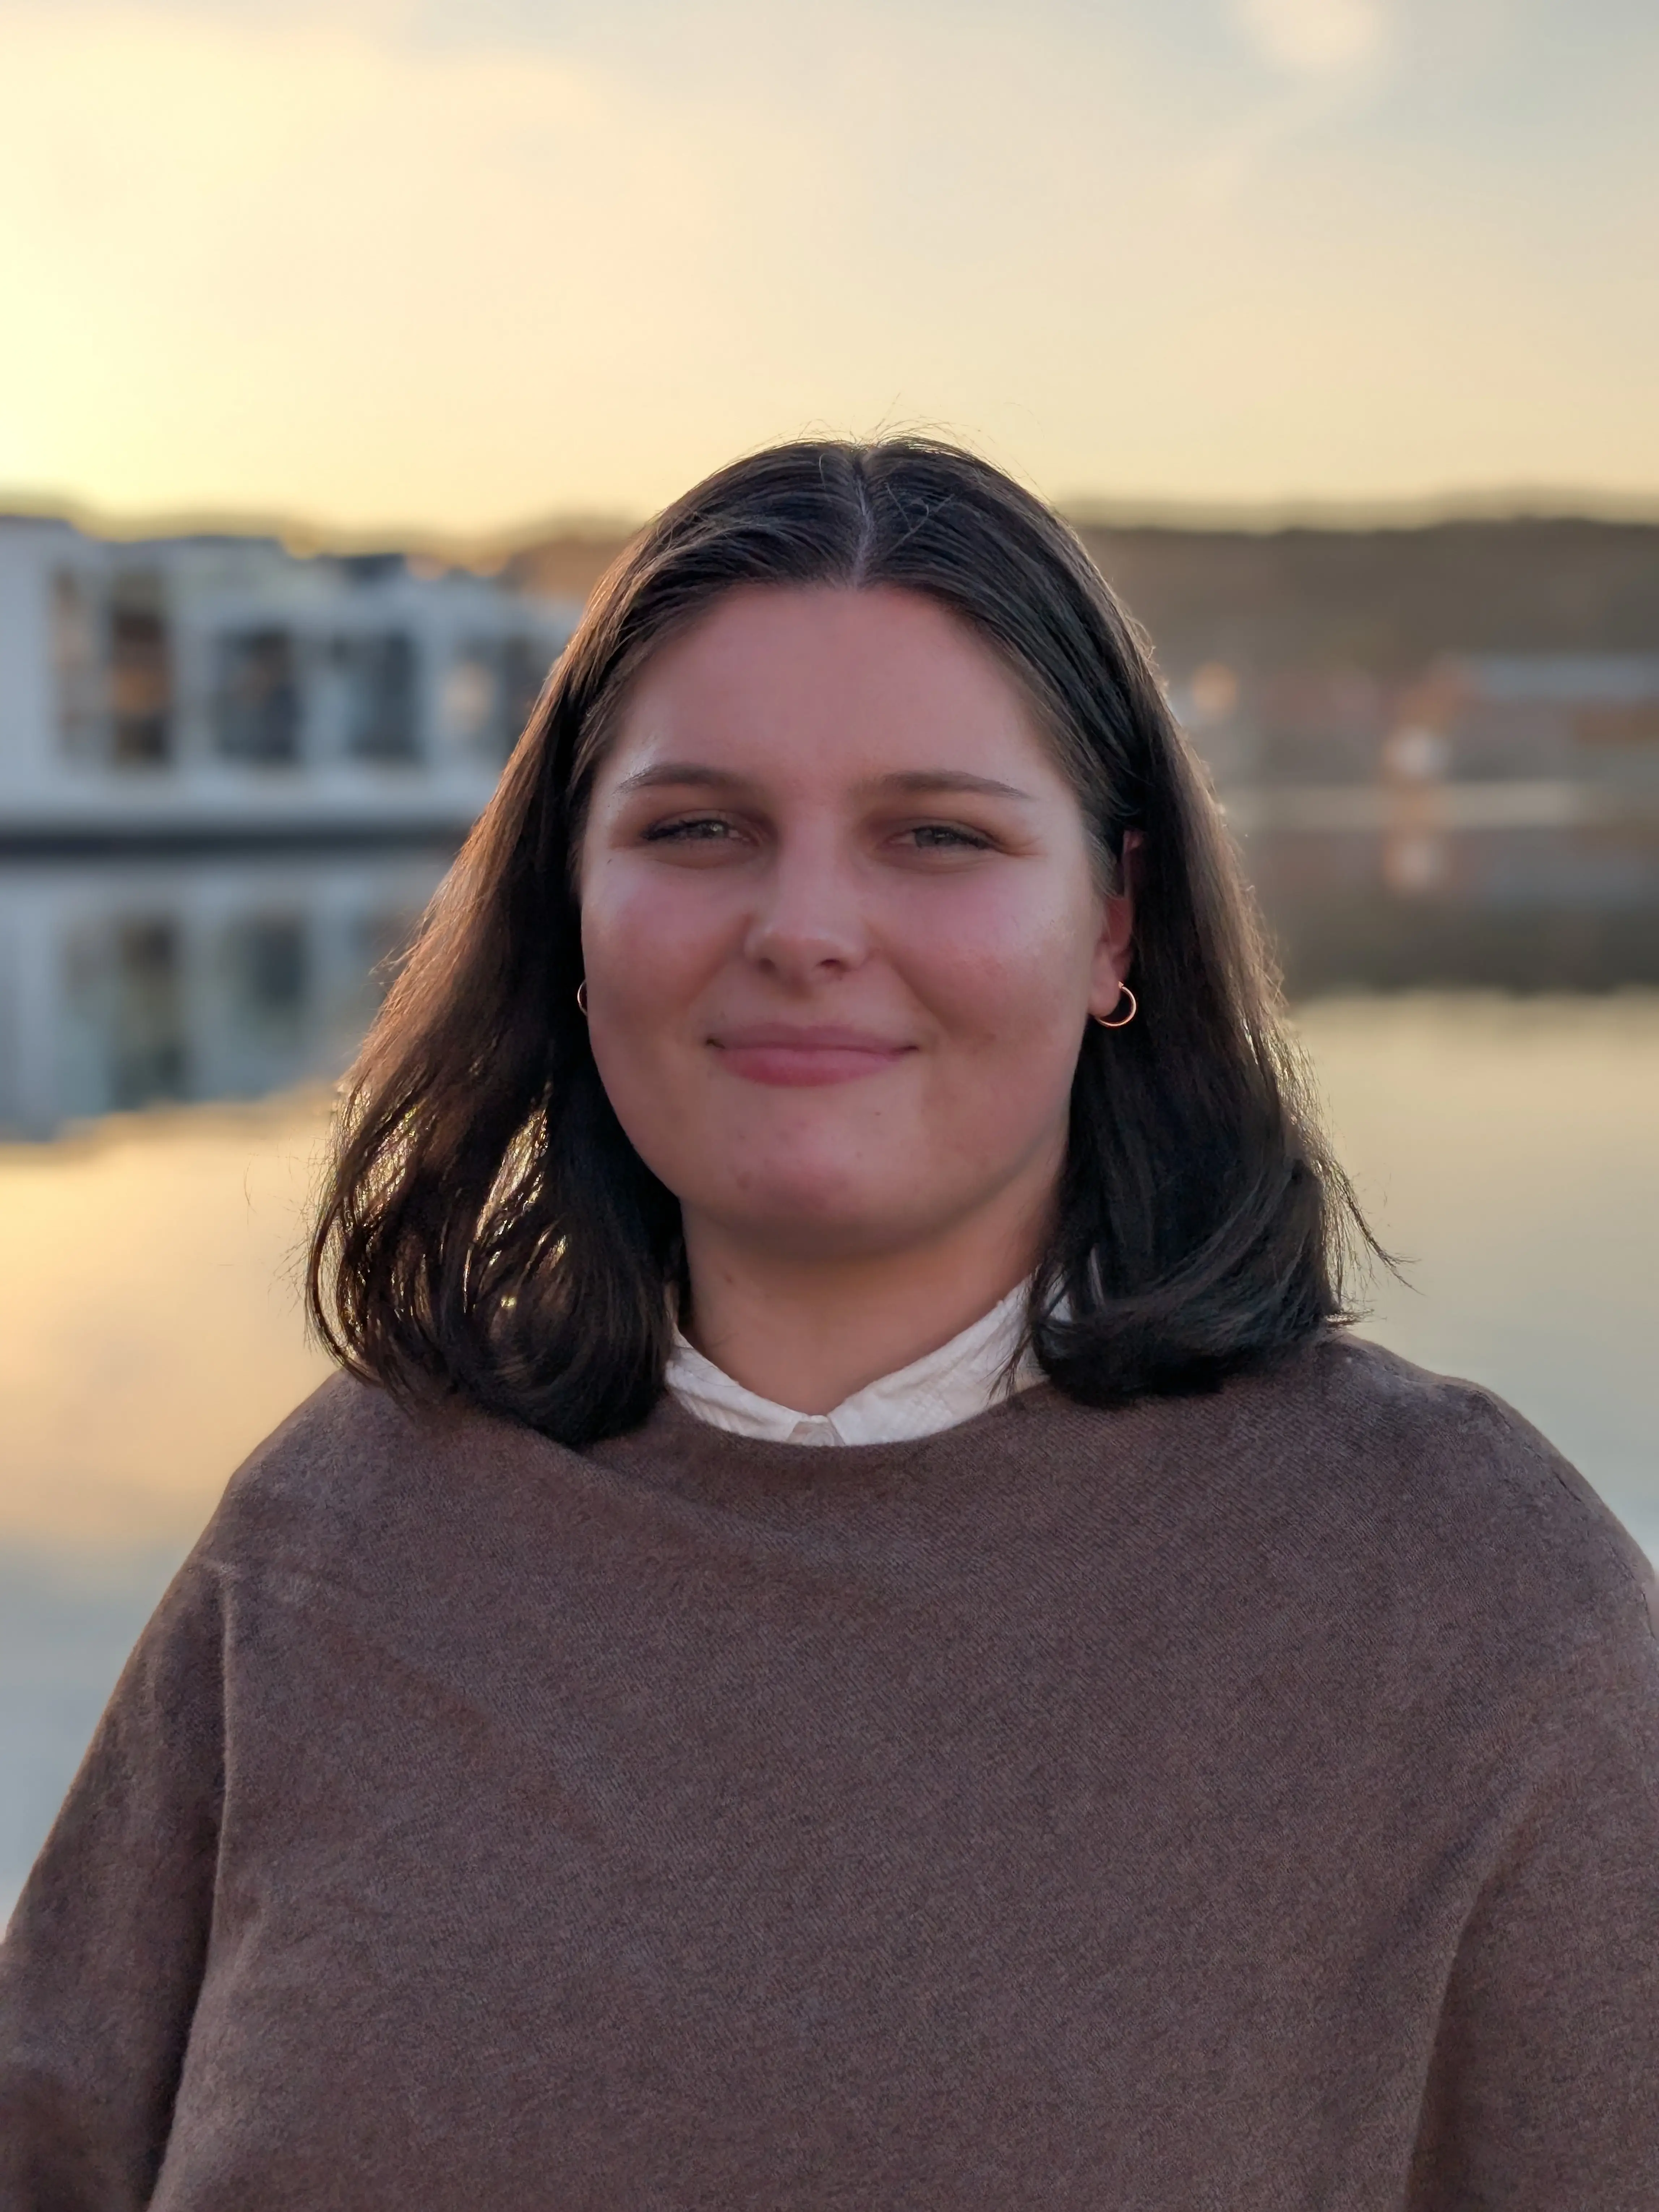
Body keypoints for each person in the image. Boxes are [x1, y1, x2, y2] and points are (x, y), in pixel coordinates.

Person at [2, 438, 1655, 2211]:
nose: (802, 929)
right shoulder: (338, 1534)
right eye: (696, 829)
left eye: (934, 836)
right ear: (572, 904)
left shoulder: (1459, 1596)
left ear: (1112, 923)